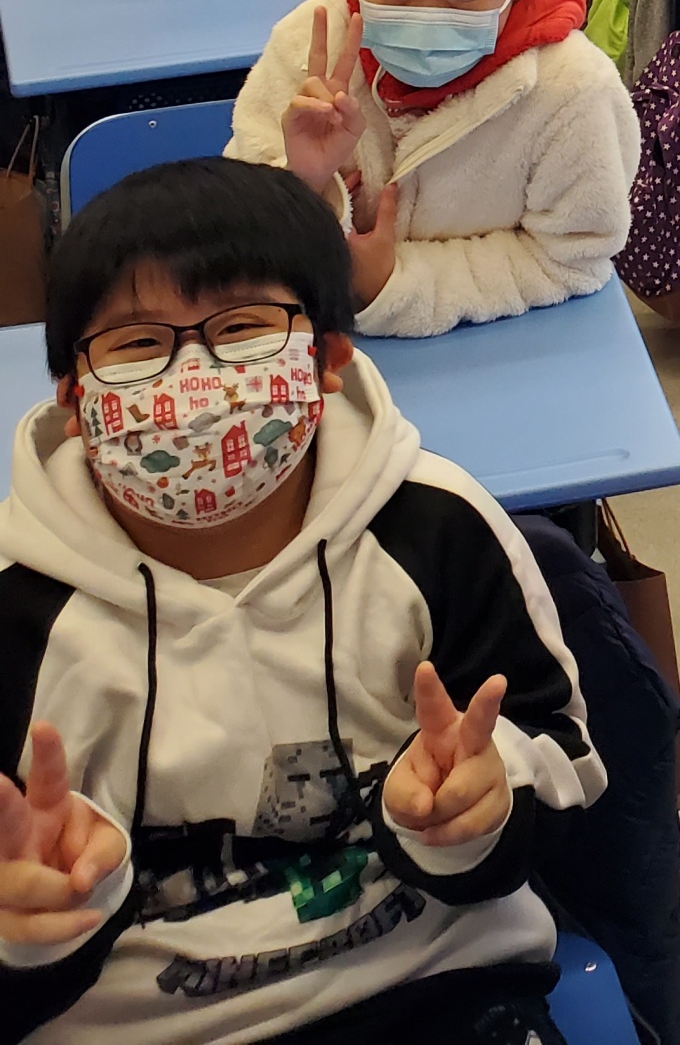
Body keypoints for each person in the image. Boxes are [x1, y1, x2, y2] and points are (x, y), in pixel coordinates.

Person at [0, 157, 602, 1042]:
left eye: (243, 329)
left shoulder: (436, 528)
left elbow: (560, 760)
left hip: (435, 987)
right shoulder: (20, 608)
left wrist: (478, 810)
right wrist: (33, 929)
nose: (195, 380)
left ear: (327, 359)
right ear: (71, 398)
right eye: (137, 345)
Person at [227, 0, 638, 339]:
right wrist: (303, 186)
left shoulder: (571, 87)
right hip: (319, 336)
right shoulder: (310, 43)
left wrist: (397, 285)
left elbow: (574, 255)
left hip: (500, 346)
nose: (426, 15)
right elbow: (241, 221)